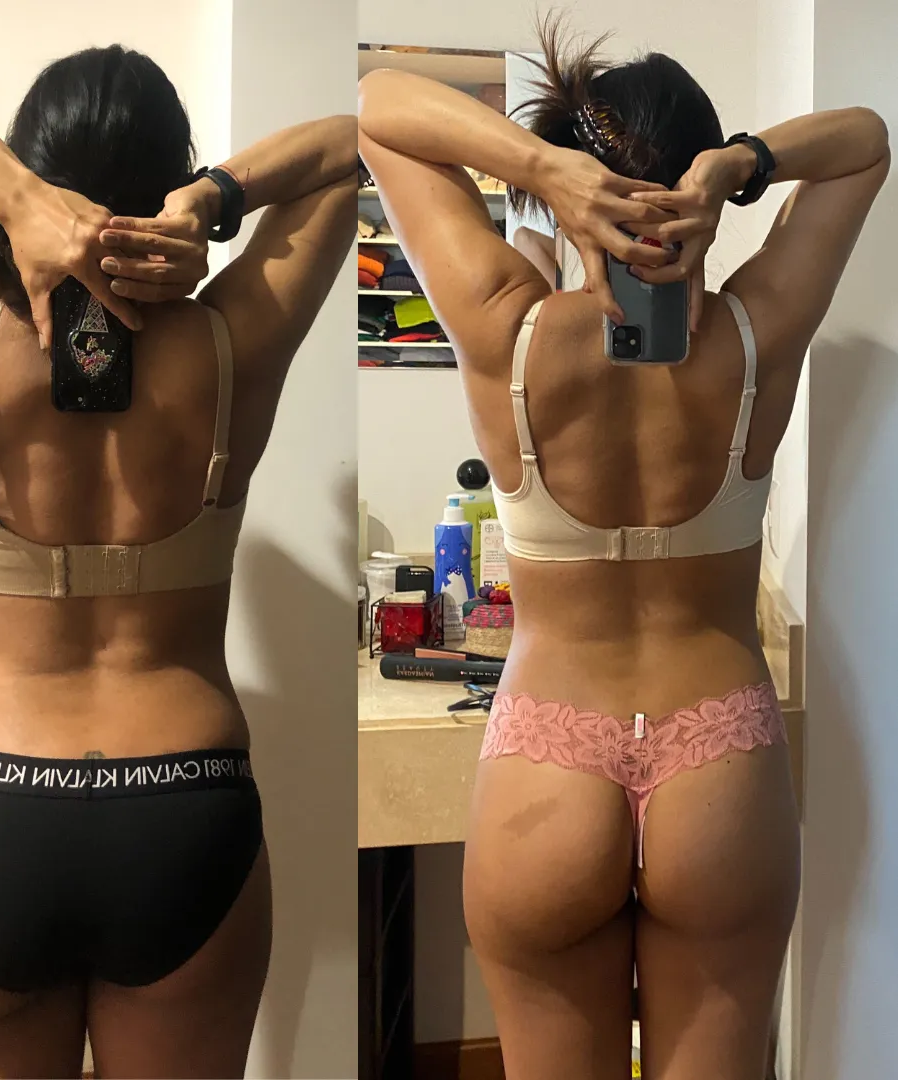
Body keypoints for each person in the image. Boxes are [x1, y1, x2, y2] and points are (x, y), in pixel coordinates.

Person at [0, 21, 356, 1078]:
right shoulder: (230, 344)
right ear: (168, 181)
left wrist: (14, 195)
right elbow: (352, 142)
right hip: (185, 810)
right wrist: (212, 201)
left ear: (32, 169)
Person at [358, 16, 887, 1080]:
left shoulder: (505, 327)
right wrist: (742, 166)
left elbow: (376, 109)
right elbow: (867, 140)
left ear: (575, 189)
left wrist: (542, 175)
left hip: (546, 762)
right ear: (702, 189)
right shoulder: (755, 335)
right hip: (719, 763)